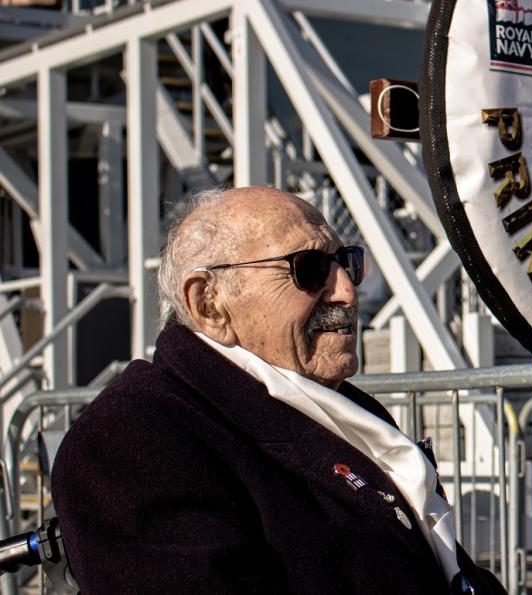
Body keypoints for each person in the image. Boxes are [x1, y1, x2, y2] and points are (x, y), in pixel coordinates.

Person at [51, 186, 504, 594]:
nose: (346, 291)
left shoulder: (333, 405)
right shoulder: (134, 441)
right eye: (308, 270)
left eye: (347, 263)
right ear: (208, 303)